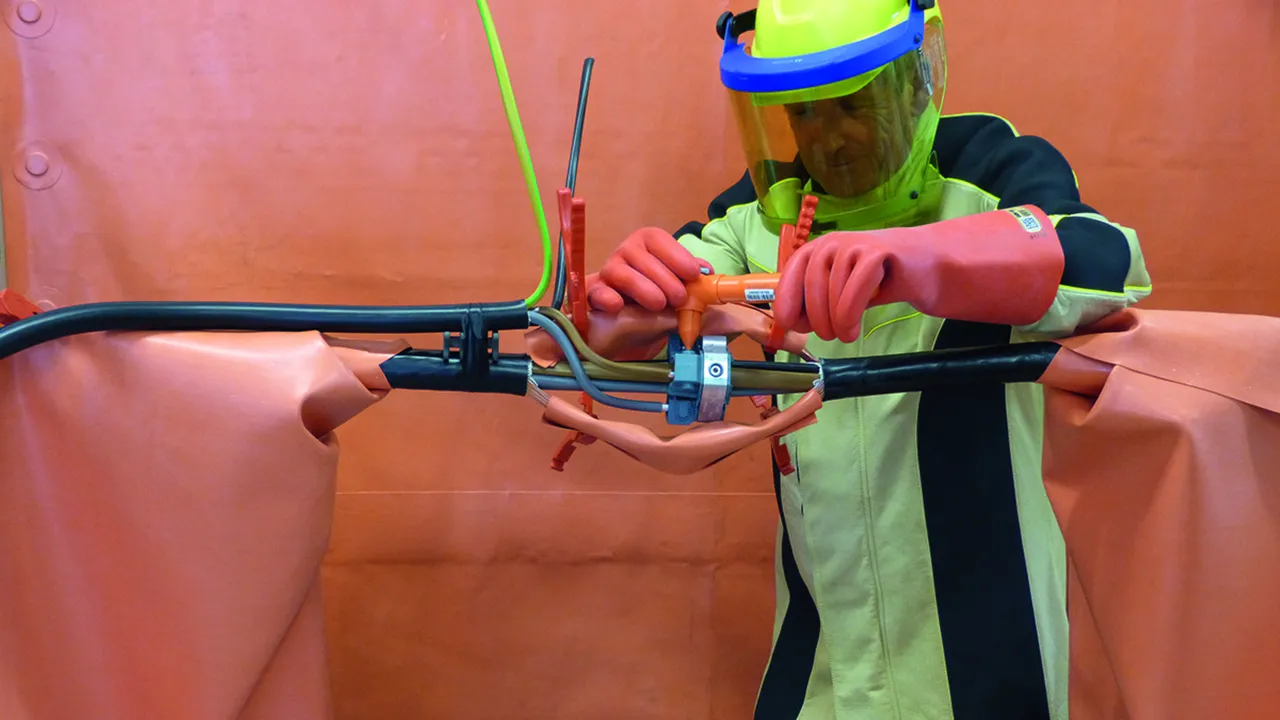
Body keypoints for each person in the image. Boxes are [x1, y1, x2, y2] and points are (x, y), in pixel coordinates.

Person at [585, 1, 1151, 718]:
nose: (829, 139)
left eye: (853, 104)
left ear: (917, 81)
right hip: (823, 669)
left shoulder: (991, 175)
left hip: (990, 666)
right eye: (803, 112)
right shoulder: (757, 220)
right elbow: (622, 329)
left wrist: (915, 258)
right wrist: (619, 305)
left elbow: (1107, 264)